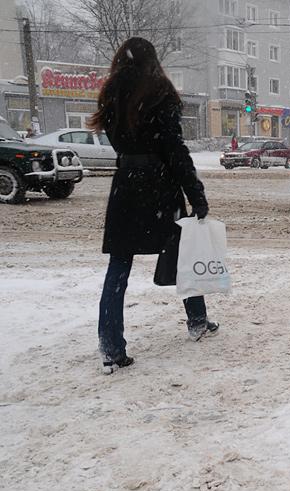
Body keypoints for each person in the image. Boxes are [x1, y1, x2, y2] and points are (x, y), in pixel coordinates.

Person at [89, 37, 218, 375]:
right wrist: (196, 194)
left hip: (127, 185)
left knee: (119, 266)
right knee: (184, 254)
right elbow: (174, 149)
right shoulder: (160, 92)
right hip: (160, 186)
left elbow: (120, 141)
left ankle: (111, 345)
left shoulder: (110, 93)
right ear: (153, 61)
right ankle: (198, 321)